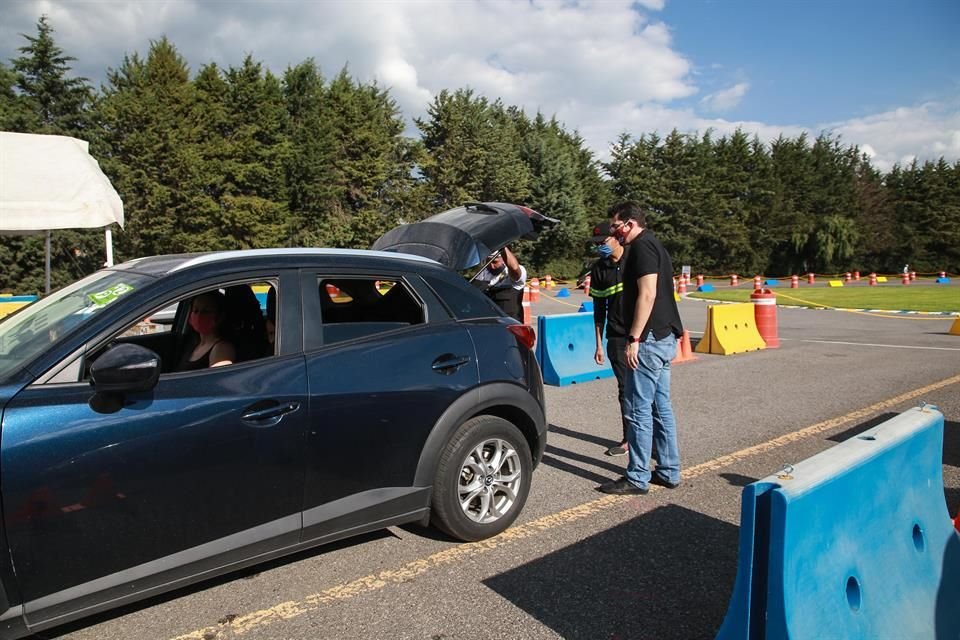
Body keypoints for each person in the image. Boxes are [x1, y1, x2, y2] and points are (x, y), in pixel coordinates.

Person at [599, 201, 683, 495]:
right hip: (663, 336)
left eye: (616, 226)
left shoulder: (643, 248)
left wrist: (634, 339)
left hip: (648, 341)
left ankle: (637, 477)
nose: (614, 233)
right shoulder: (656, 246)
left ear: (631, 223)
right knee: (660, 407)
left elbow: (646, 295)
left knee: (638, 409)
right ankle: (669, 470)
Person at [587, 222, 630, 457]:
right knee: (625, 389)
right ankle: (628, 439)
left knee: (648, 390)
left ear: (616, 238)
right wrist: (598, 345)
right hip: (615, 337)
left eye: (603, 242)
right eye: (596, 244)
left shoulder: (633, 261)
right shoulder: (599, 269)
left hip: (640, 336)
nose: (599, 247)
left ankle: (652, 439)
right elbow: (598, 309)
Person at [176, 291, 236, 371]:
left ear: (219, 317)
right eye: (196, 310)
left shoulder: (222, 348)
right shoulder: (194, 342)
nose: (199, 316)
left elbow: (217, 380)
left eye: (206, 311)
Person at [474, 245, 527, 322]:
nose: (491, 266)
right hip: (488, 324)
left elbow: (514, 268)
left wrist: (502, 245)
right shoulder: (482, 274)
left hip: (510, 327)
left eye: (495, 262)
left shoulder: (513, 272)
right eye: (488, 262)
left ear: (504, 259)